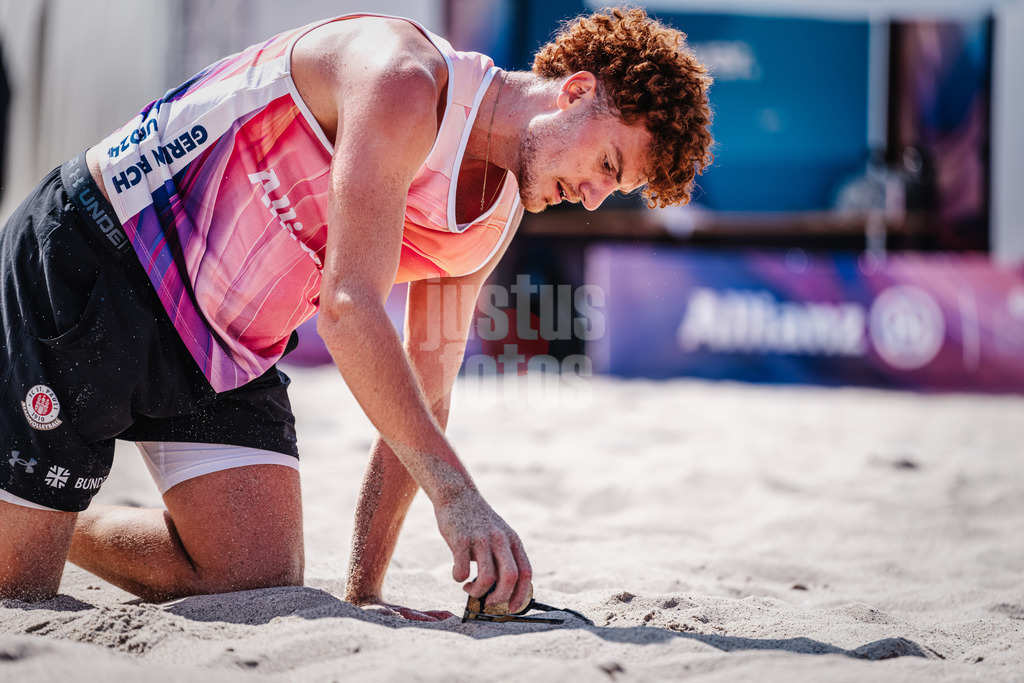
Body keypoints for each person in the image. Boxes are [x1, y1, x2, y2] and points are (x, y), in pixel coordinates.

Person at [0, 8, 712, 618]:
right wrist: (457, 496)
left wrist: (365, 594)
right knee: (20, 591)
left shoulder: (495, 216)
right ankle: (33, 520)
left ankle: (58, 522)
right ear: (575, 92)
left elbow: (425, 395)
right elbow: (347, 308)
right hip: (104, 250)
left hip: (224, 340)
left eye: (614, 190)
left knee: (252, 576)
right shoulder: (404, 76)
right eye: (608, 165)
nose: (593, 197)